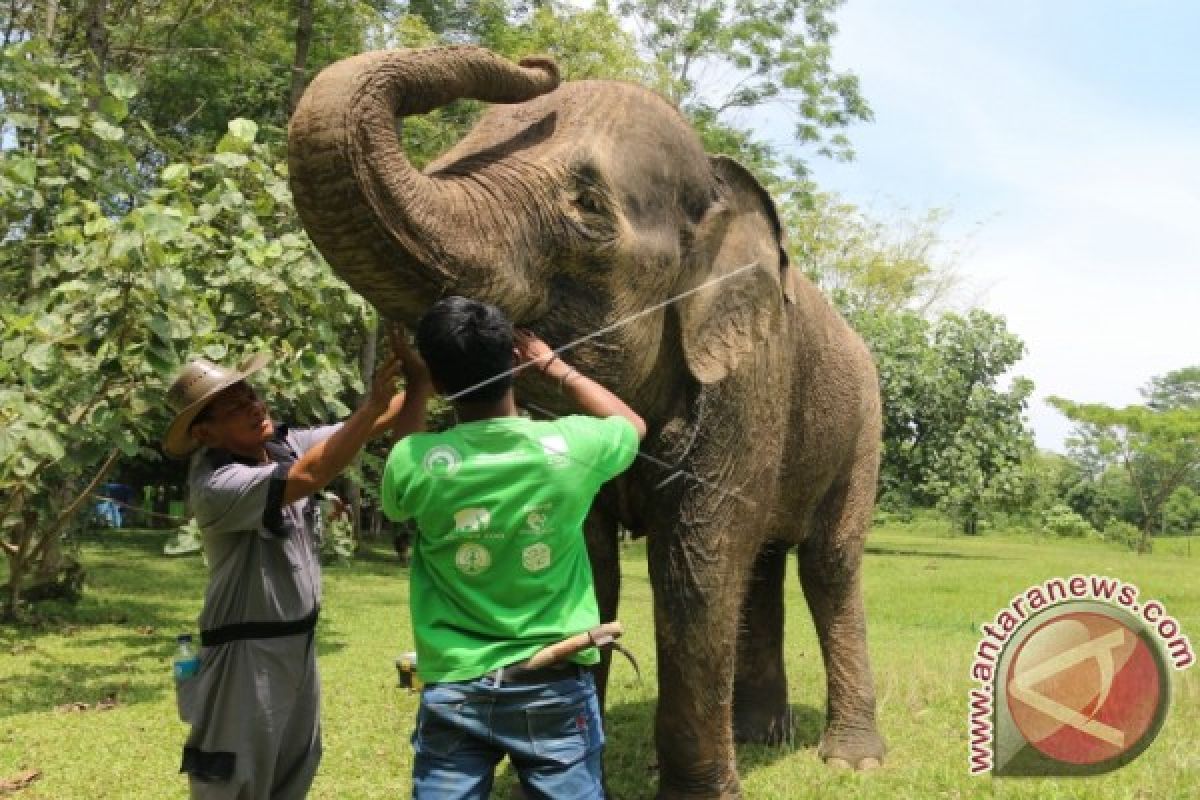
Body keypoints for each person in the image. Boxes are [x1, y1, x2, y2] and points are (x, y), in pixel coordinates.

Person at [380, 296, 646, 799]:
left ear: (439, 384)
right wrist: (555, 368)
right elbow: (632, 425)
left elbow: (398, 481)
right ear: (513, 365)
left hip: (455, 684)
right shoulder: (570, 447)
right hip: (555, 677)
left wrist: (415, 387)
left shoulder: (416, 460)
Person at [162, 339, 430, 800]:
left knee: (294, 768)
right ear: (204, 434)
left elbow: (378, 423)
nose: (252, 407)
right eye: (232, 408)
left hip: (298, 646)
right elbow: (310, 476)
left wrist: (426, 380)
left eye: (250, 395)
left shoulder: (283, 445)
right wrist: (372, 406)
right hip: (245, 656)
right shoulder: (217, 484)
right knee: (235, 778)